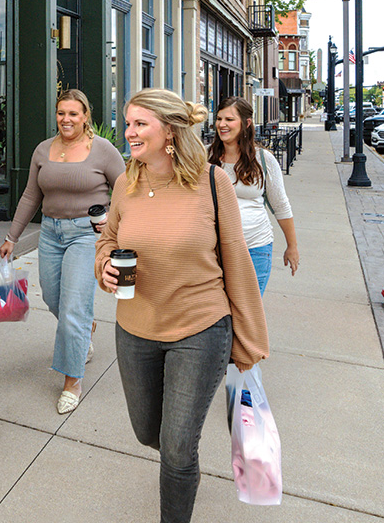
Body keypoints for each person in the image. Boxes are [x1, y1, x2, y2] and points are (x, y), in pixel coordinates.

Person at [96, 89, 268, 523]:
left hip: (200, 327)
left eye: (139, 124)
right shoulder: (125, 182)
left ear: (169, 130)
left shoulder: (212, 182)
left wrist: (248, 342)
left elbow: (236, 260)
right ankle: (182, 453)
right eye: (127, 123)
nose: (128, 132)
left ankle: (180, 471)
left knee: (175, 449)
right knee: (147, 432)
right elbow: (109, 240)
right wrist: (104, 268)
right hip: (135, 328)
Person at [0, 89, 124, 414]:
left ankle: (72, 380)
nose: (66, 120)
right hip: (50, 233)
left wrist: (112, 218)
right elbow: (30, 196)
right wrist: (13, 237)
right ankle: (84, 330)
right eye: (61, 113)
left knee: (72, 309)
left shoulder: (102, 150)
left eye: (73, 114)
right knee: (53, 298)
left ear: (86, 116)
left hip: (86, 235)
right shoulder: (43, 150)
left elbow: (127, 189)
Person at [208, 97, 299, 294]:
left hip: (255, 248)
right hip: (212, 251)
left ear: (246, 123)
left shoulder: (263, 160)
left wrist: (292, 246)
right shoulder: (206, 158)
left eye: (229, 119)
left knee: (248, 315)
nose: (222, 125)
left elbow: (281, 206)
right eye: (219, 119)